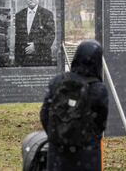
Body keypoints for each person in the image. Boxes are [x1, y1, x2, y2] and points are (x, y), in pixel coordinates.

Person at [40, 40, 109, 171]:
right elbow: (101, 123)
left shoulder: (57, 81)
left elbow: (44, 115)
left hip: (58, 156)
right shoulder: (98, 89)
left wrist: (57, 135)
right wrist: (87, 140)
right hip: (86, 156)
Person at [15, 0, 55, 66]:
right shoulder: (19, 15)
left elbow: (50, 35)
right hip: (24, 60)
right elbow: (18, 38)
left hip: (41, 58)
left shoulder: (47, 14)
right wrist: (17, 60)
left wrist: (36, 46)